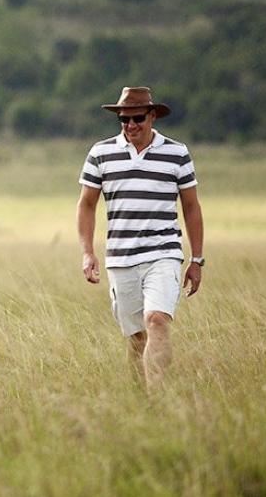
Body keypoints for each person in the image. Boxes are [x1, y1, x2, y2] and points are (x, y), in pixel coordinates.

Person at [78, 86, 205, 389]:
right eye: (124, 120)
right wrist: (87, 252)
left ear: (152, 116)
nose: (131, 125)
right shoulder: (100, 152)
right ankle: (143, 400)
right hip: (120, 257)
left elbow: (191, 206)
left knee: (157, 320)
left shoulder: (177, 153)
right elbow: (86, 204)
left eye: (137, 118)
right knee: (136, 336)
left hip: (164, 252)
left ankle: (159, 397)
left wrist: (196, 258)